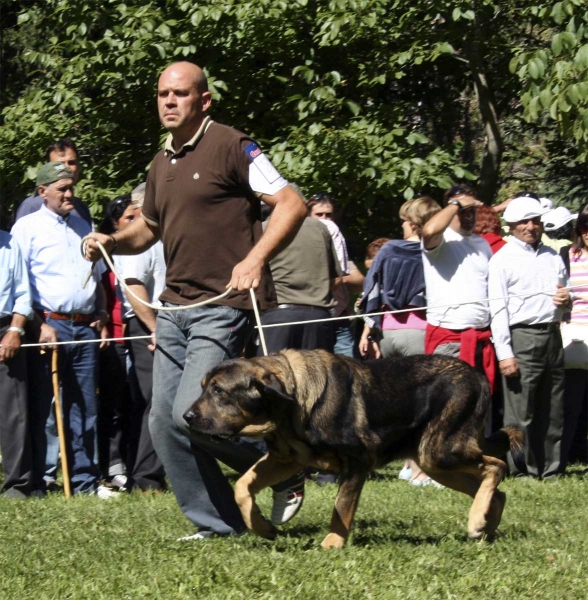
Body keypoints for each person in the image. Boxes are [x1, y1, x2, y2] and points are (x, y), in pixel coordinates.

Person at [83, 61, 307, 539]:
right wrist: (112, 240)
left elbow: (292, 203)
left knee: (194, 413)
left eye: (180, 94)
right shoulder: (161, 161)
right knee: (165, 424)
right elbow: (148, 229)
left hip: (224, 304)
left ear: (203, 100)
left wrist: (256, 257)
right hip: (176, 309)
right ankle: (222, 524)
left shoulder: (231, 144)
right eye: (163, 93)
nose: (169, 101)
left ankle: (285, 464)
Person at [10, 161, 109, 495]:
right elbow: (21, 284)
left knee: (86, 407)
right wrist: (38, 325)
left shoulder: (84, 225)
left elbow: (97, 276)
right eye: (62, 189)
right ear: (42, 192)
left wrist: (101, 311)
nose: (70, 194)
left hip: (85, 327)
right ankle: (40, 478)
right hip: (49, 325)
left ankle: (84, 481)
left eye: (71, 187)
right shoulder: (27, 228)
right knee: (44, 407)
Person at [360, 196, 442, 486]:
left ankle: (407, 467)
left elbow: (371, 289)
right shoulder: (431, 251)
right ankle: (421, 471)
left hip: (389, 333)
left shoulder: (390, 249)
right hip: (420, 331)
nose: (402, 225)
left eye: (405, 221)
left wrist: (370, 330)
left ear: (413, 223)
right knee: (423, 406)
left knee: (401, 405)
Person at [488, 196, 571, 478]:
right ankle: (521, 470)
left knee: (553, 409)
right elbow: (497, 309)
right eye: (524, 221)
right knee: (520, 413)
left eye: (535, 220)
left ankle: (551, 469)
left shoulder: (551, 256)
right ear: (511, 225)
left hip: (552, 335)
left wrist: (566, 299)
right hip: (521, 336)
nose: (531, 226)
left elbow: (565, 297)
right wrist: (505, 353)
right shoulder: (502, 259)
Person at [110, 189, 167, 492]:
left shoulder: (161, 232)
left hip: (161, 324)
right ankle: (146, 478)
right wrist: (154, 328)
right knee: (155, 401)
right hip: (146, 325)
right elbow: (134, 287)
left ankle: (150, 473)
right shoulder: (138, 235)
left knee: (161, 400)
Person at [420, 185, 495, 390]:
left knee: (479, 408)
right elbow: (429, 230)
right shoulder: (442, 241)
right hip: (449, 339)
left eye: (472, 209)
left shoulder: (482, 244)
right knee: (448, 411)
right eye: (463, 210)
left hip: (481, 338)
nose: (468, 214)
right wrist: (457, 203)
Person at [256, 193, 342, 354]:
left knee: (272, 378)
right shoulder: (320, 228)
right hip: (318, 317)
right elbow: (335, 279)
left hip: (278, 317)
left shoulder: (262, 229)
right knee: (318, 378)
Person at [307, 192, 364, 356]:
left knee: (349, 371)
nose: (325, 219)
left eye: (329, 215)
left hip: (339, 317)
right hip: (313, 318)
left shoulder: (336, 240)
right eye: (319, 215)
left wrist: (340, 278)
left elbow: (359, 280)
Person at [0, 228, 33, 499]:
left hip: (5, 332)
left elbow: (23, 294)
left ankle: (17, 486)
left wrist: (15, 331)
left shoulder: (10, 245)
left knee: (14, 414)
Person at [559, 203, 588, 467]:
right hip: (576, 335)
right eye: (585, 227)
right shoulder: (567, 255)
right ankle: (567, 454)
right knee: (572, 403)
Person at [15, 139, 93, 227]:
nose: (67, 168)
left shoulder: (81, 207)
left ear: (78, 166)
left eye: (71, 163)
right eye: (60, 164)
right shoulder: (32, 206)